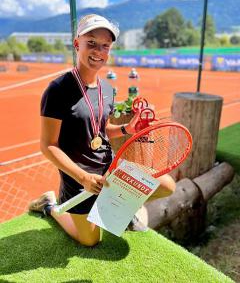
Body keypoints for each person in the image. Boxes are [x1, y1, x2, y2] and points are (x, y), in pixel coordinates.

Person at [29, 14, 176, 247]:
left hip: (110, 170)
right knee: (89, 241)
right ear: (77, 44)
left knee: (167, 185)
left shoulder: (106, 89)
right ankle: (50, 206)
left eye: (105, 46)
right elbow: (48, 145)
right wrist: (84, 177)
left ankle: (118, 206)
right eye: (92, 43)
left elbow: (101, 130)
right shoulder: (58, 90)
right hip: (79, 179)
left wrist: (127, 128)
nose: (98, 51)